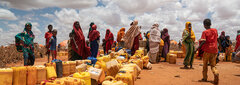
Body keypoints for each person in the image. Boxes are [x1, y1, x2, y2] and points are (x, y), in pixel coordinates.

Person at [196, 19, 219, 84]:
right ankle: (216, 73)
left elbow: (203, 41)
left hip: (207, 50)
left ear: (204, 25)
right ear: (210, 24)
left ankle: (205, 78)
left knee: (205, 64)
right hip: (214, 50)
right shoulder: (215, 30)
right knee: (213, 65)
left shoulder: (205, 32)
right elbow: (217, 38)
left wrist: (197, 48)